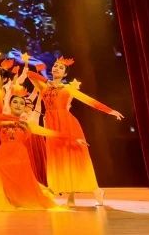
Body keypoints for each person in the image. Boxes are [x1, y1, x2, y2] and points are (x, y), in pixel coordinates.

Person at [28, 57, 123, 206]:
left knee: (76, 158)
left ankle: (96, 190)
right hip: (52, 127)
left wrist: (110, 111)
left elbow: (89, 101)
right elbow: (30, 74)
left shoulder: (68, 89)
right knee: (60, 159)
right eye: (55, 66)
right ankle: (70, 197)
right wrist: (47, 81)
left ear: (65, 74)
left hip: (68, 124)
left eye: (61, 68)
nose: (56, 68)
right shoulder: (44, 86)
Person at [0, 92, 77, 211]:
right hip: (4, 157)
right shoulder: (1, 119)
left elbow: (50, 133)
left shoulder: (28, 124)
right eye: (15, 102)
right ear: (9, 104)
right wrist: (14, 122)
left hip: (20, 158)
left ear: (25, 107)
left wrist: (73, 138)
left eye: (22, 103)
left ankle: (22, 200)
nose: (18, 105)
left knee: (24, 186)